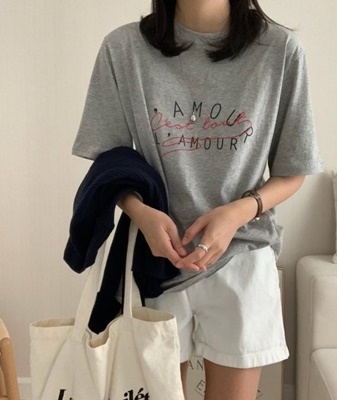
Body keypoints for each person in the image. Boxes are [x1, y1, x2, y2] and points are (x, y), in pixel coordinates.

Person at [72, 0, 323, 398]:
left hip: (242, 256)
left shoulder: (279, 50)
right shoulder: (123, 48)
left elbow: (293, 170)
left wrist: (238, 213)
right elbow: (110, 163)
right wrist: (141, 213)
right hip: (157, 259)